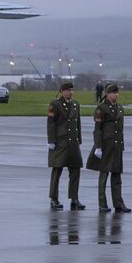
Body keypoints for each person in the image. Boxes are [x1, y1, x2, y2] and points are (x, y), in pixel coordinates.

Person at [87, 83, 130, 212]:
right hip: (106, 145)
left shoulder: (120, 108)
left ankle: (118, 203)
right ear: (107, 94)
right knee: (104, 175)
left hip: (117, 145)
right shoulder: (101, 108)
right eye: (113, 93)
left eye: (117, 93)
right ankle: (102, 203)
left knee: (117, 175)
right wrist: (98, 146)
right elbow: (97, 129)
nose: (116, 95)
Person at [47, 82, 84, 210]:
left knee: (75, 170)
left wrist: (78, 138)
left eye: (72, 90)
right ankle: (54, 198)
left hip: (72, 143)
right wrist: (51, 140)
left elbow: (77, 122)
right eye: (68, 90)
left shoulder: (75, 104)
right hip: (60, 142)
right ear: (62, 91)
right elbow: (51, 123)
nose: (70, 92)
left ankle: (74, 198)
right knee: (57, 170)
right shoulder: (55, 104)